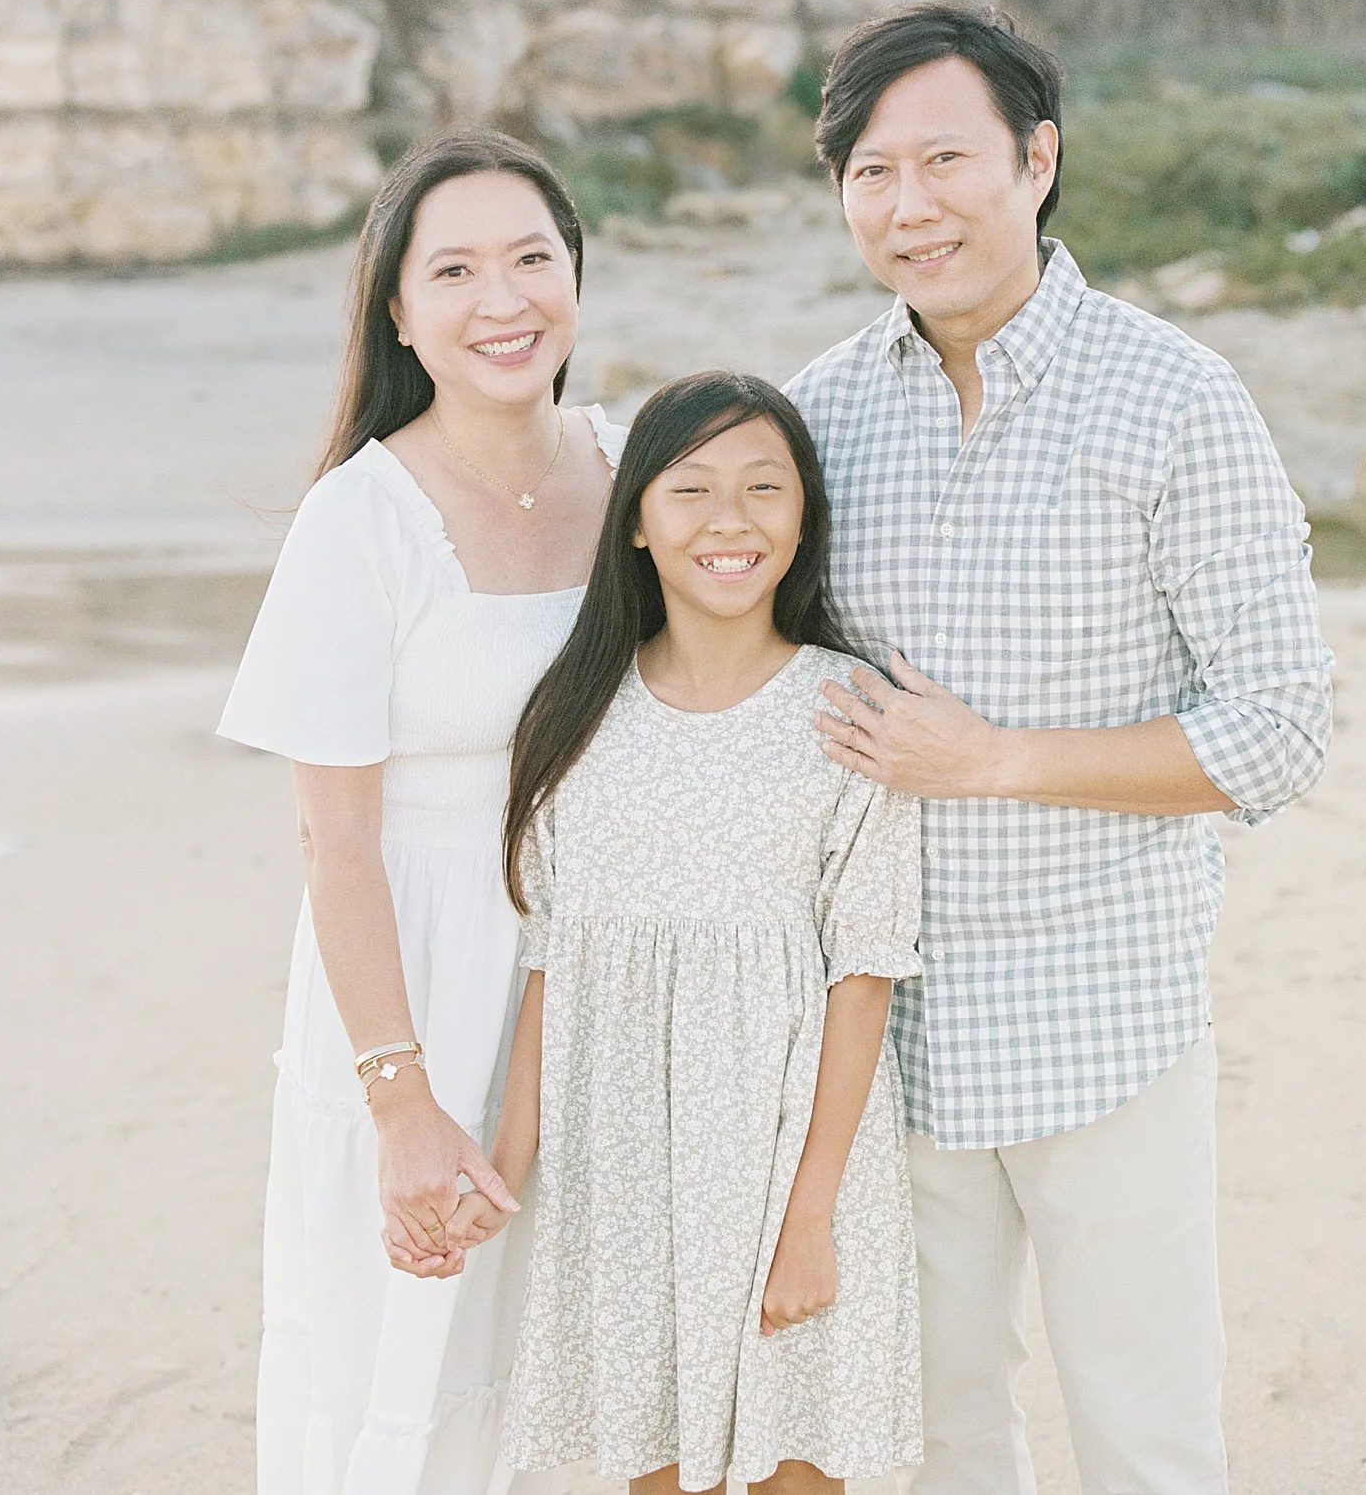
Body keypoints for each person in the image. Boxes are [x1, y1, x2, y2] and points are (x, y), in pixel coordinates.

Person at [784, 4, 1334, 1495]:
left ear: (1036, 161)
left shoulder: (1175, 398)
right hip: (881, 1028)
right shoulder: (820, 417)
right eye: (872, 171)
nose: (911, 205)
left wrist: (995, 758)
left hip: (1105, 1010)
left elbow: (1280, 730)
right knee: (938, 1439)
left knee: (1147, 1437)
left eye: (946, 158)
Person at [216, 130, 626, 1495]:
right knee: (395, 1372)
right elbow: (336, 843)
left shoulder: (641, 471)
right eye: (453, 270)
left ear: (578, 274)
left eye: (531, 259)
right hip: (415, 981)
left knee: (580, 1381)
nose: (501, 300)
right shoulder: (359, 519)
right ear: (397, 308)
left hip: (604, 979)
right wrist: (399, 1103)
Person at [448, 371, 923, 1495]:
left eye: (765, 485)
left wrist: (810, 1216)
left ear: (804, 515)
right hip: (625, 1177)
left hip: (784, 1173)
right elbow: (552, 960)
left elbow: (865, 974)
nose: (729, 518)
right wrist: (509, 1161)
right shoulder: (575, 712)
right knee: (657, 1472)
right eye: (692, 487)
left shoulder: (849, 710)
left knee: (798, 1467)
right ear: (640, 525)